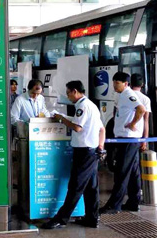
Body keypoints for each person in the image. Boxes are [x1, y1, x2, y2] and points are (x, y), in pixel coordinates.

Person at [42, 81, 105, 229]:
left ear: (75, 91)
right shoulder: (92, 106)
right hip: (92, 151)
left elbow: (77, 127)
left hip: (84, 152)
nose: (68, 96)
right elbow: (102, 129)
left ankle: (61, 219)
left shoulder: (82, 106)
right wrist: (101, 147)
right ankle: (92, 218)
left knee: (75, 186)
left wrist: (61, 119)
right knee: (91, 187)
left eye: (68, 93)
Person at [100, 72, 146, 214]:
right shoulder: (122, 95)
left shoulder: (128, 94)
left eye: (117, 83)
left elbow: (141, 109)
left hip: (128, 139)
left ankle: (114, 205)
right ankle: (133, 202)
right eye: (113, 82)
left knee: (122, 172)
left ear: (125, 84)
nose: (114, 85)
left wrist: (133, 124)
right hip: (128, 139)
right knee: (133, 172)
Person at [131, 73, 151, 151]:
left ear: (130, 83)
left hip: (122, 134)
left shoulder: (121, 96)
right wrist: (144, 140)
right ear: (142, 84)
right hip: (137, 134)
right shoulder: (145, 99)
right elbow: (146, 120)